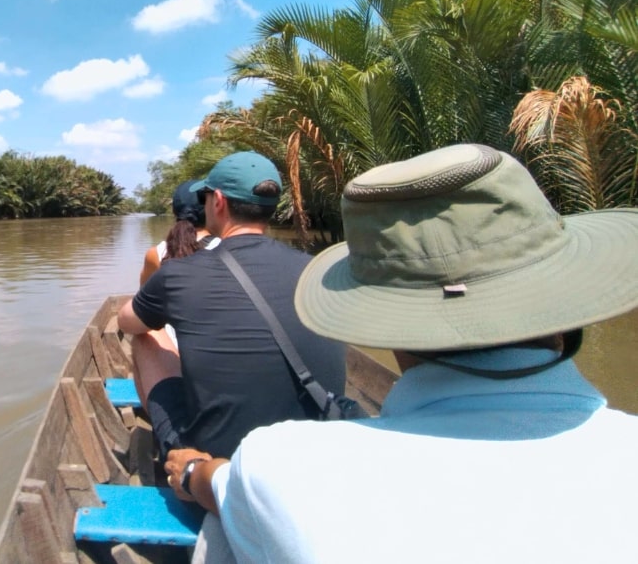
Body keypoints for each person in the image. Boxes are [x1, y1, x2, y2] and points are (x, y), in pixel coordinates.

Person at [165, 143, 638, 564]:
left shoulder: (284, 467)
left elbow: (215, 481)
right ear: (572, 303)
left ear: (379, 316)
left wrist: (191, 470)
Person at [118, 151, 346, 460]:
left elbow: (126, 322)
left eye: (206, 195)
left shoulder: (177, 272)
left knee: (146, 335)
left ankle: (179, 454)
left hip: (216, 469)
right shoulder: (318, 270)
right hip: (319, 451)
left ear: (219, 201)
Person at [138, 179, 220, 286]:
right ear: (212, 209)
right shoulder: (226, 247)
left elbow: (144, 298)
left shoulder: (155, 253)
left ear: (174, 212)